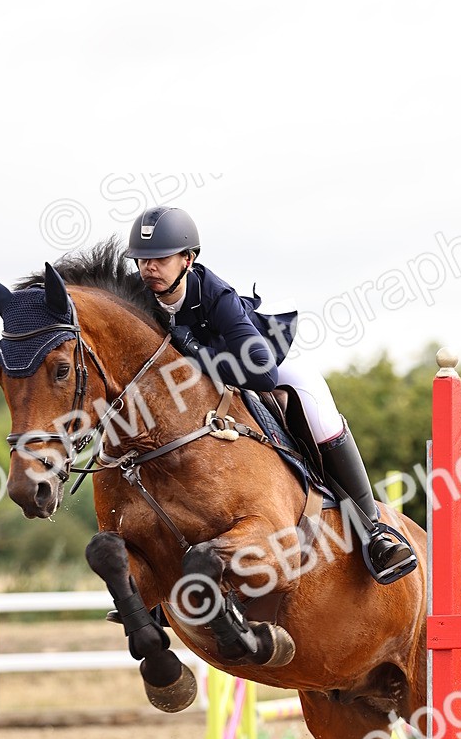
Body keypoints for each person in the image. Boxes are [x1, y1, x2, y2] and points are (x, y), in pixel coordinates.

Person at [125, 206, 417, 585]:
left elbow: (262, 372)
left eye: (160, 260)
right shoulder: (134, 298)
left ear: (188, 259)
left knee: (315, 404)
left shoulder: (215, 296)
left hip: (262, 362)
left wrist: (196, 350)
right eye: (143, 261)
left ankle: (373, 532)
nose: (149, 269)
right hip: (191, 394)